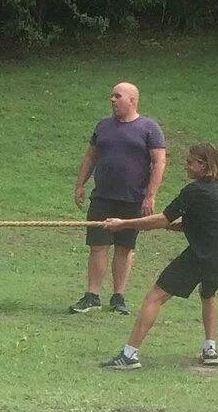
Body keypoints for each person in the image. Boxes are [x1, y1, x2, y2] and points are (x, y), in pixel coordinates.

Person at [99, 142, 218, 371]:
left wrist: (122, 224)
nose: (186, 166)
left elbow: (162, 219)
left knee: (154, 297)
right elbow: (205, 222)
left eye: (190, 162)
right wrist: (173, 226)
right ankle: (210, 350)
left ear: (203, 165)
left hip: (201, 256)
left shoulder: (194, 191)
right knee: (209, 293)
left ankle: (129, 355)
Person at [70, 81, 166, 315]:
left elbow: (159, 162)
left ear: (132, 100)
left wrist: (150, 196)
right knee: (98, 246)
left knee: (124, 247)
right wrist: (80, 184)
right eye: (112, 96)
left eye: (117, 96)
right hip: (102, 197)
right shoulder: (103, 126)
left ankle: (118, 296)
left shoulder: (149, 128)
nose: (112, 100)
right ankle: (92, 296)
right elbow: (91, 156)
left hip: (132, 199)